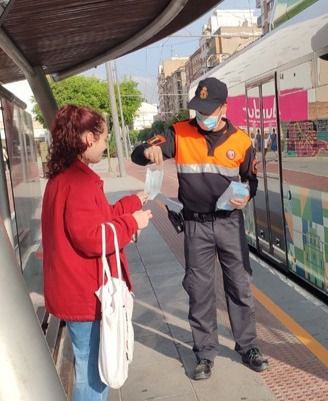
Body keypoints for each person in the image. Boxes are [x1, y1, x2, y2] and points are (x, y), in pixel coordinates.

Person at [131, 77, 267, 380]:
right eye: (198, 109)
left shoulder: (242, 142)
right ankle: (204, 353)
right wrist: (146, 152)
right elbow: (139, 152)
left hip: (230, 223)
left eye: (208, 110)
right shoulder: (179, 134)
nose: (201, 116)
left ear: (223, 108)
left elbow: (251, 181)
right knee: (199, 289)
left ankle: (247, 346)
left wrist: (245, 195)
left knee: (240, 286)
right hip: (195, 226)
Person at [42, 105, 153, 401]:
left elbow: (97, 219)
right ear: (87, 138)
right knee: (94, 377)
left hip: (73, 291)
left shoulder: (64, 177)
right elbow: (92, 238)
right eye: (103, 138)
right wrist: (132, 223)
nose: (105, 145)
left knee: (90, 369)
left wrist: (130, 205)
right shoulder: (79, 182)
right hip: (85, 296)